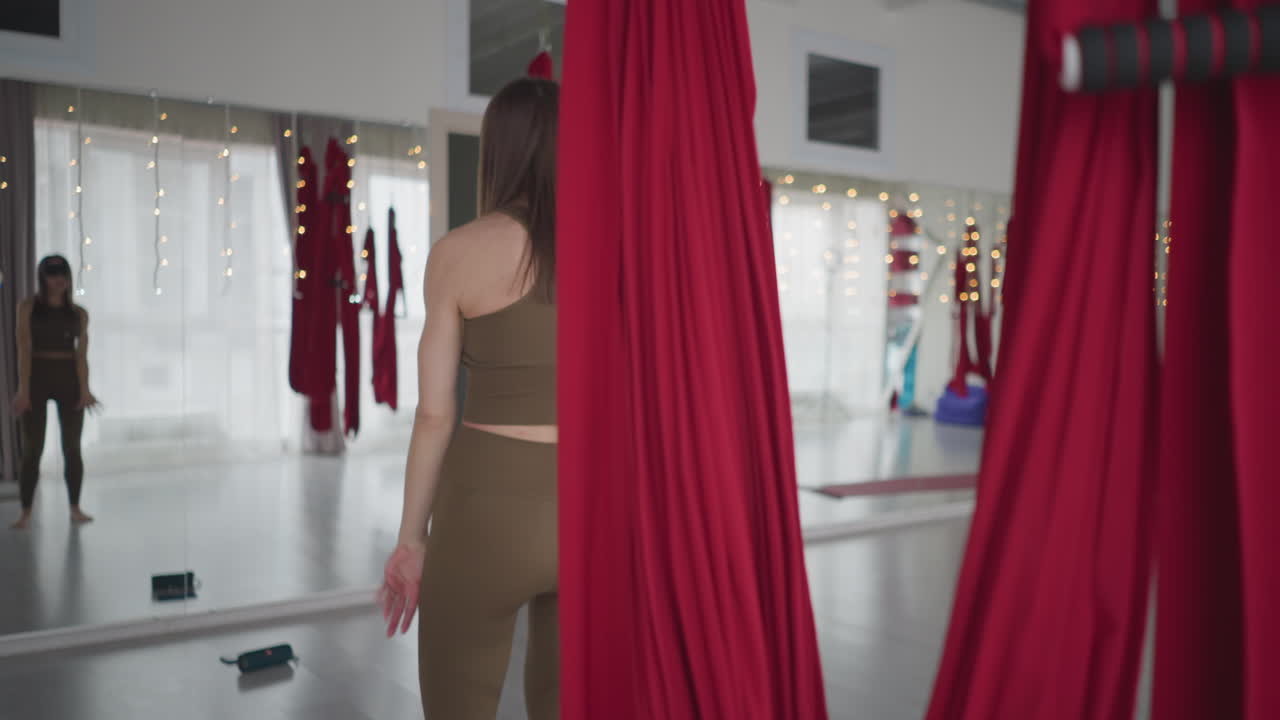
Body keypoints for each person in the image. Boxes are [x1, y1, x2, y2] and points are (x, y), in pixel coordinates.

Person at [377, 76, 559, 720]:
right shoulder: (617, 249)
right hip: (594, 504)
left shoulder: (458, 252)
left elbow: (433, 414)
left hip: (485, 508)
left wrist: (411, 539)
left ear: (497, 151)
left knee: (460, 704)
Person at [11, 254, 98, 529]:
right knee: (32, 449)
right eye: (52, 274)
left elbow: (82, 355)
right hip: (37, 379)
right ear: (43, 277)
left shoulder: (79, 313)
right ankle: (26, 511)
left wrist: (85, 390)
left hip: (68, 380)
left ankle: (75, 507)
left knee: (72, 448)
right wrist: (23, 390)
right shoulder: (27, 308)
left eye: (62, 273)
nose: (58, 279)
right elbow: (24, 349)